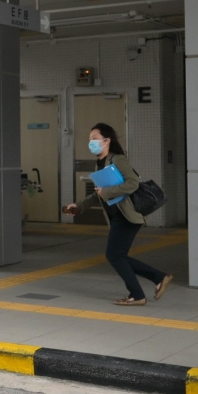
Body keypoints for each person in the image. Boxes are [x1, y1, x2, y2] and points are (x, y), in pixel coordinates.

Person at [62, 123, 171, 306]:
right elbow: (99, 193)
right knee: (118, 255)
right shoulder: (100, 163)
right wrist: (79, 206)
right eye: (90, 139)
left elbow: (133, 183)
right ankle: (158, 278)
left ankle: (138, 294)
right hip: (116, 216)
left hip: (127, 215)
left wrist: (107, 192)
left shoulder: (117, 159)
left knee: (114, 255)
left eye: (94, 138)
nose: (91, 142)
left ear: (107, 140)